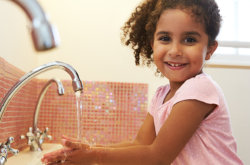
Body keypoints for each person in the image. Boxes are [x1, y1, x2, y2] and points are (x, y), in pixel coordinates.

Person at [41, 0, 244, 164]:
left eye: (189, 40)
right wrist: (90, 149)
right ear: (152, 44)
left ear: (209, 49)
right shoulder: (161, 95)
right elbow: (140, 143)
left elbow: (157, 157)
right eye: (165, 38)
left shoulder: (199, 88)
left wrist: (95, 156)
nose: (174, 50)